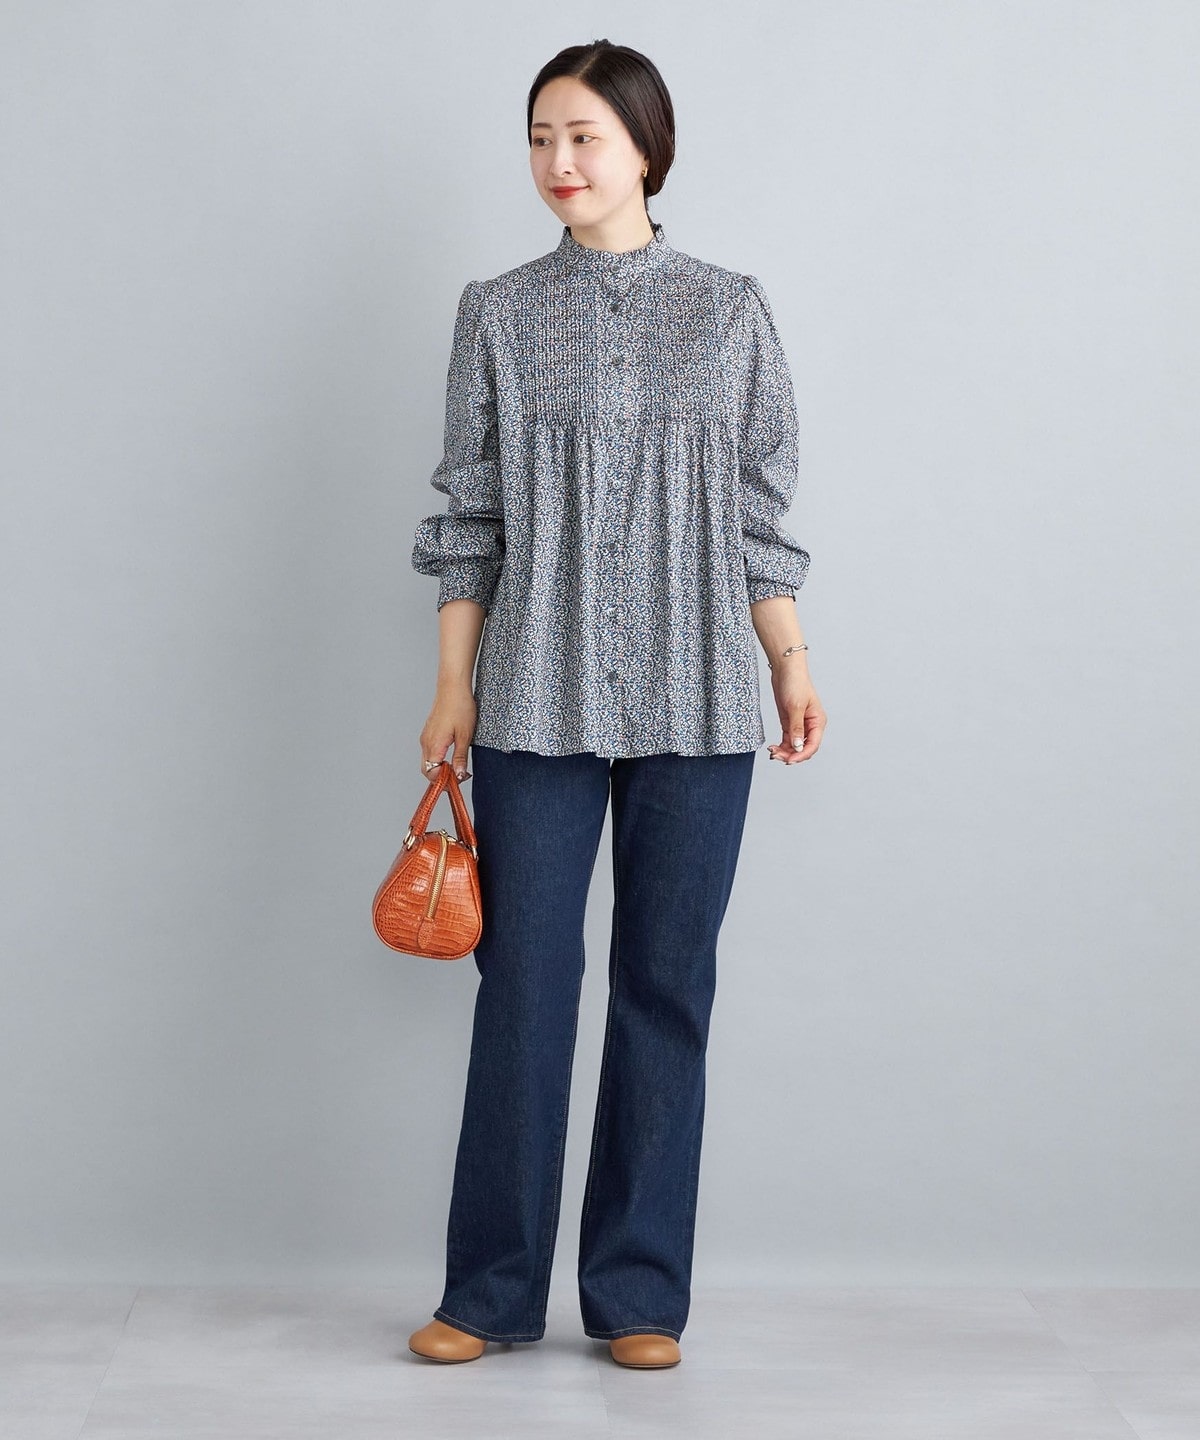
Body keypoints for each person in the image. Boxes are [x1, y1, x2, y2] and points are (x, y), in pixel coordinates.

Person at [405, 39, 826, 1370]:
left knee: (666, 986)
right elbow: (469, 520)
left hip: (701, 694)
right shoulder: (497, 312)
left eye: (583, 135)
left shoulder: (731, 309)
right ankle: (489, 1292)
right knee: (523, 985)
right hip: (534, 691)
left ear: (646, 147)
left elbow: (760, 511)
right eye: (540, 137)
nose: (558, 162)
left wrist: (789, 659)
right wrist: (453, 686)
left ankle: (640, 1294)